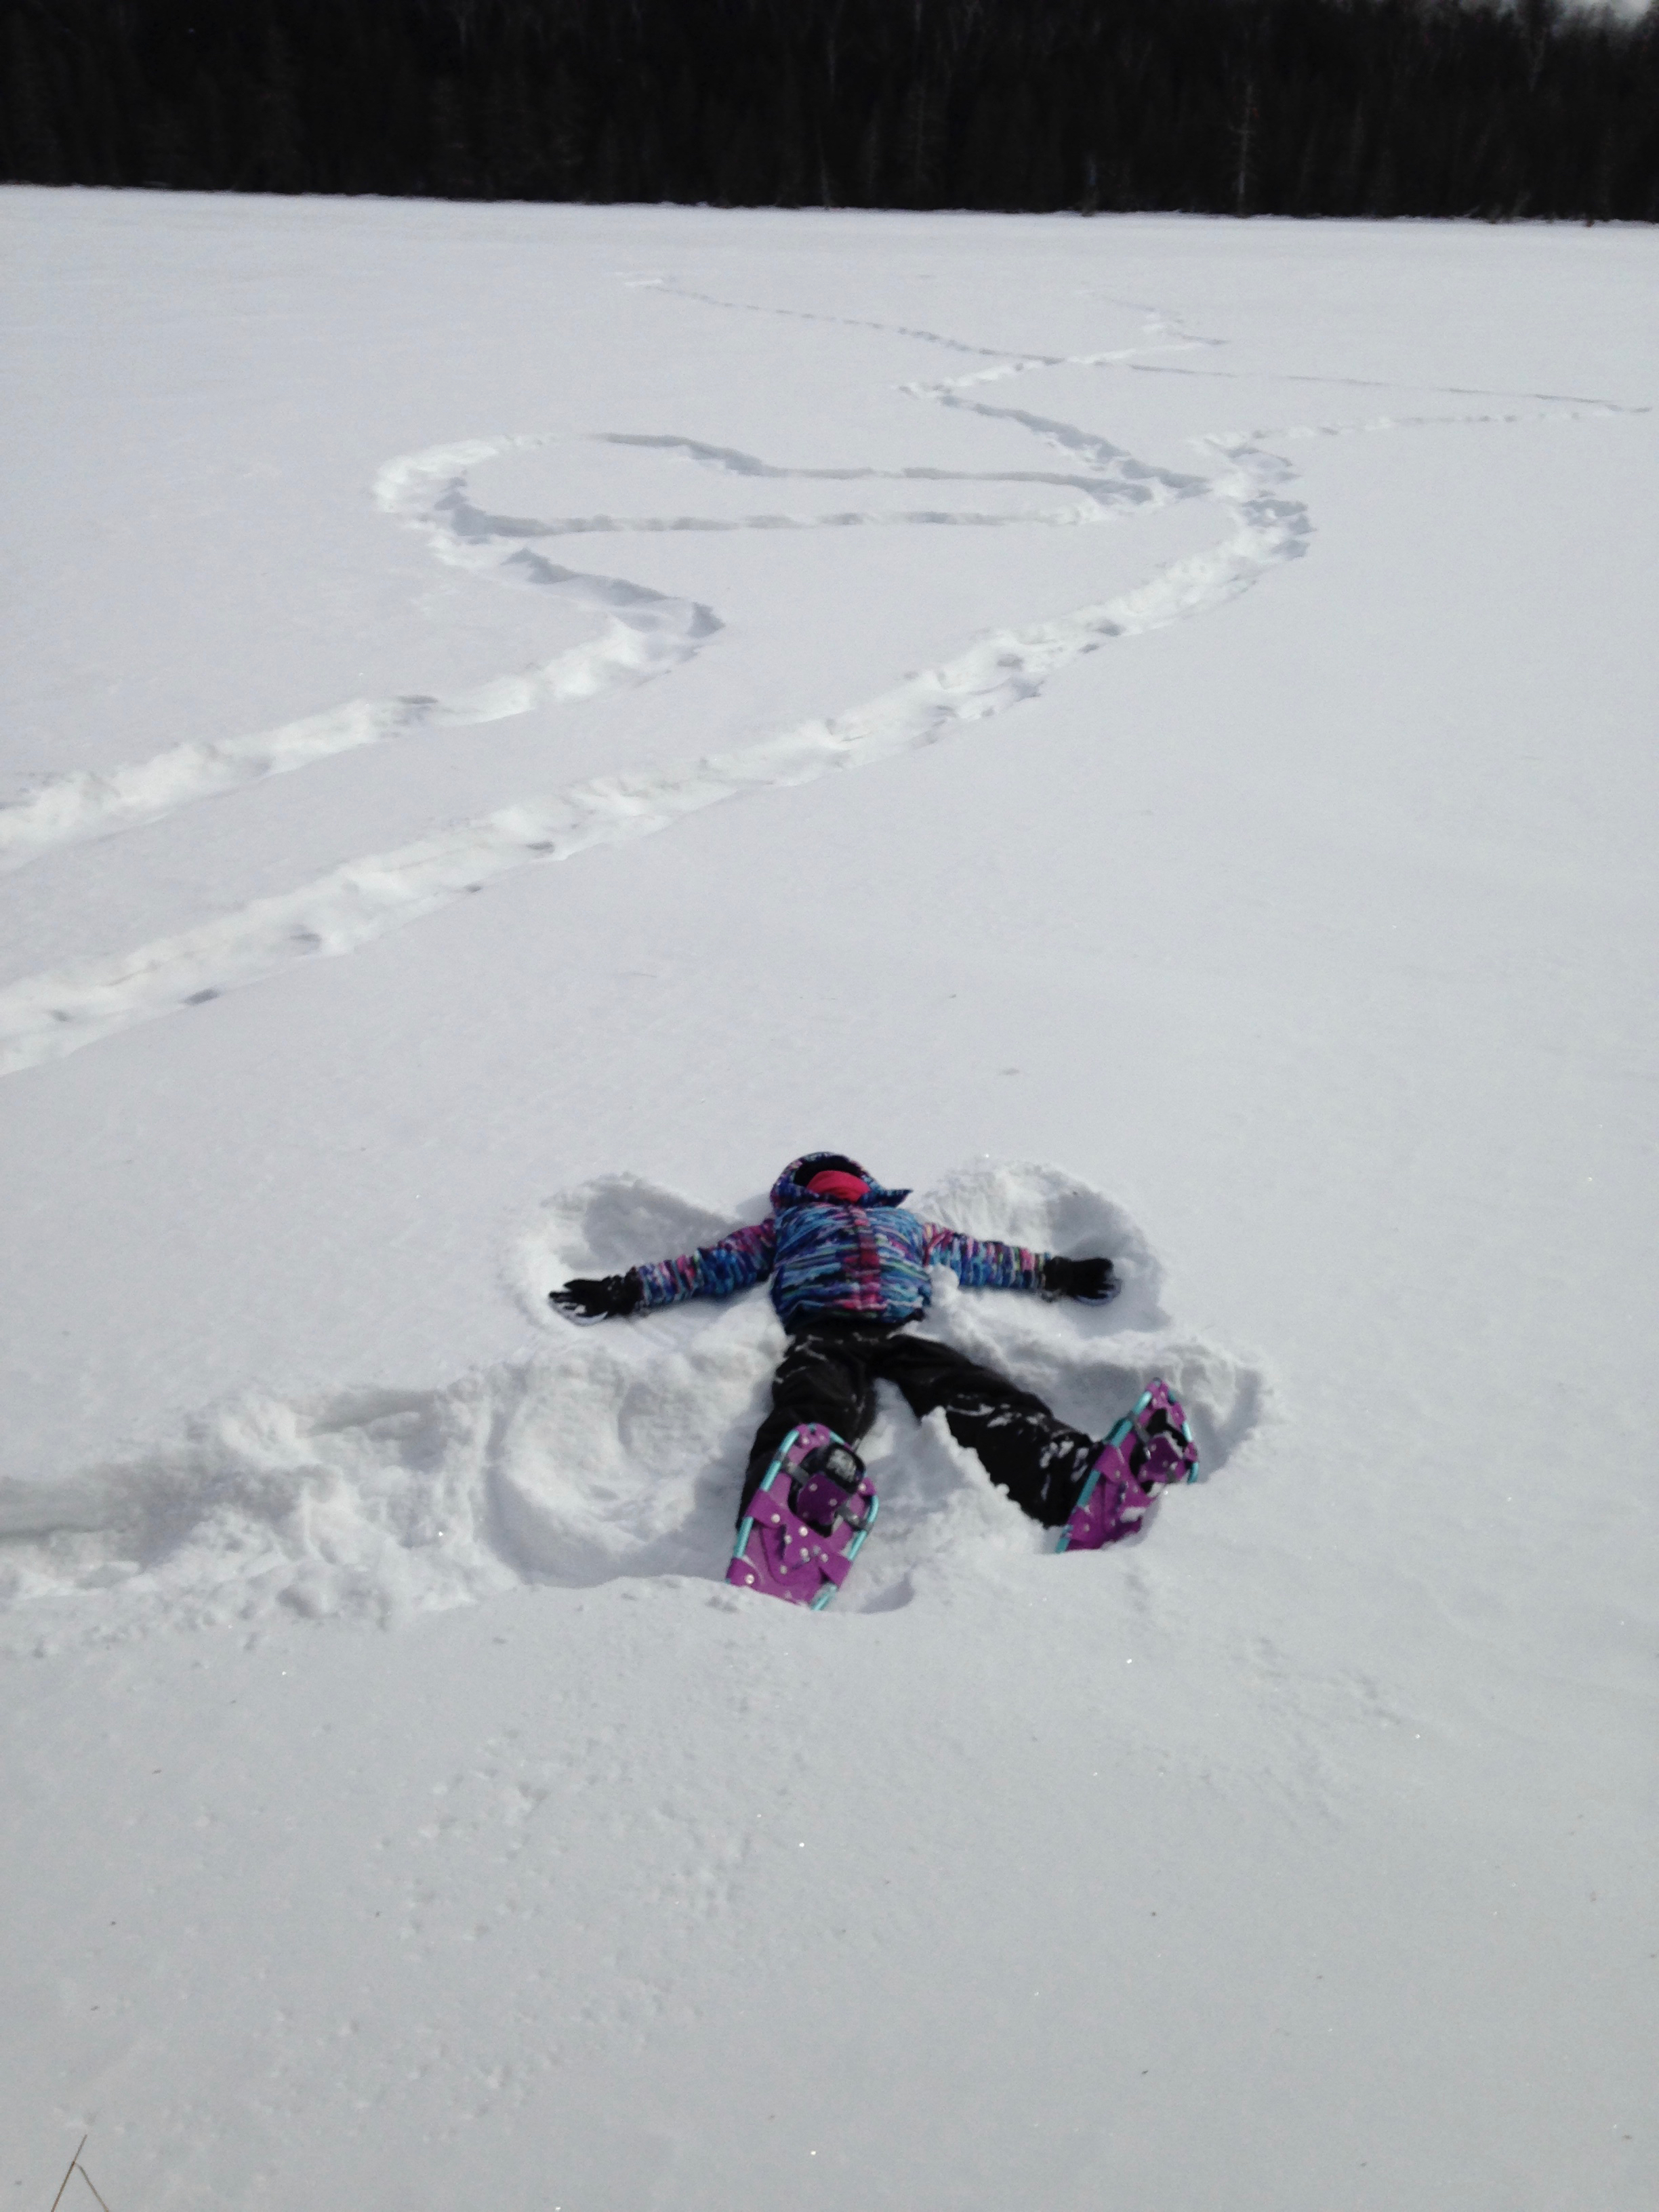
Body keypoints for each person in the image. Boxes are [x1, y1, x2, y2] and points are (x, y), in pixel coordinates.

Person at [550, 1152, 1193, 1554]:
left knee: (977, 1394)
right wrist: (626, 1288)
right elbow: (708, 1266)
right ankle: (794, 1499)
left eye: (844, 1180)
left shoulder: (908, 1226)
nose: (836, 1188)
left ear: (867, 1188)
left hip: (902, 1332)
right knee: (811, 1406)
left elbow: (987, 1256)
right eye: (821, 1181)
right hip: (822, 1332)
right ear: (799, 1194)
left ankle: (1066, 1470)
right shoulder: (787, 1227)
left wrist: (1058, 1274)